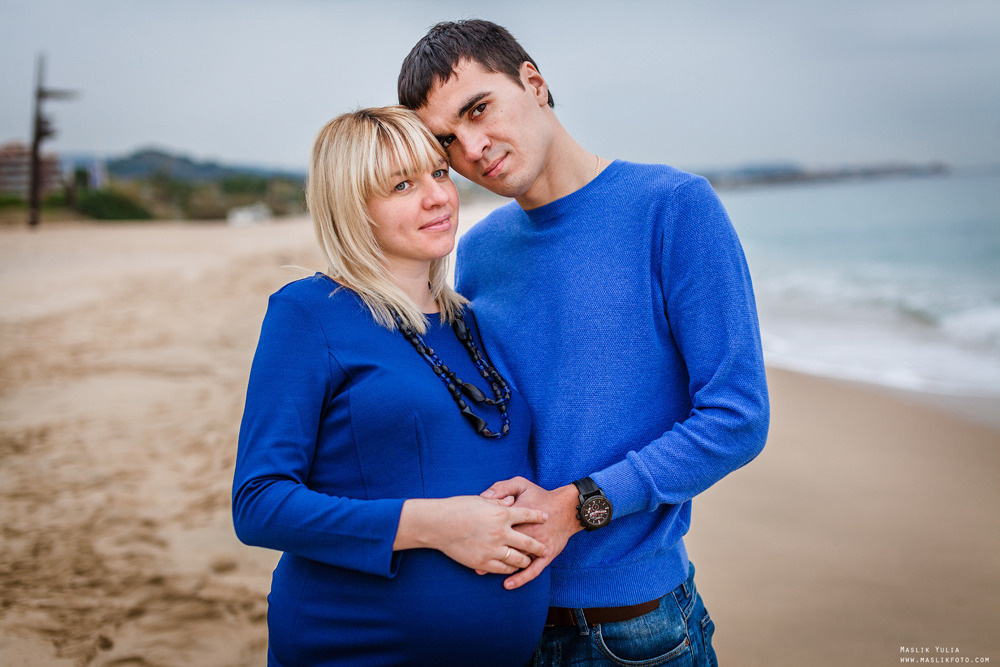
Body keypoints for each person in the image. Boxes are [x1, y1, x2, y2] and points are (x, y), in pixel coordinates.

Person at [398, 20, 770, 666]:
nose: (473, 148)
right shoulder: (479, 251)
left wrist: (577, 506)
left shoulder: (672, 208)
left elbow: (738, 417)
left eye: (479, 108)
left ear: (534, 83)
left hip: (636, 630)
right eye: (447, 140)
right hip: (500, 622)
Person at [231, 106, 552, 666]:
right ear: (352, 206)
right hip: (354, 648)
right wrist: (435, 526)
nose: (437, 197)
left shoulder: (471, 322)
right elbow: (259, 503)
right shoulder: (308, 313)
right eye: (402, 185)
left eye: (439, 173)